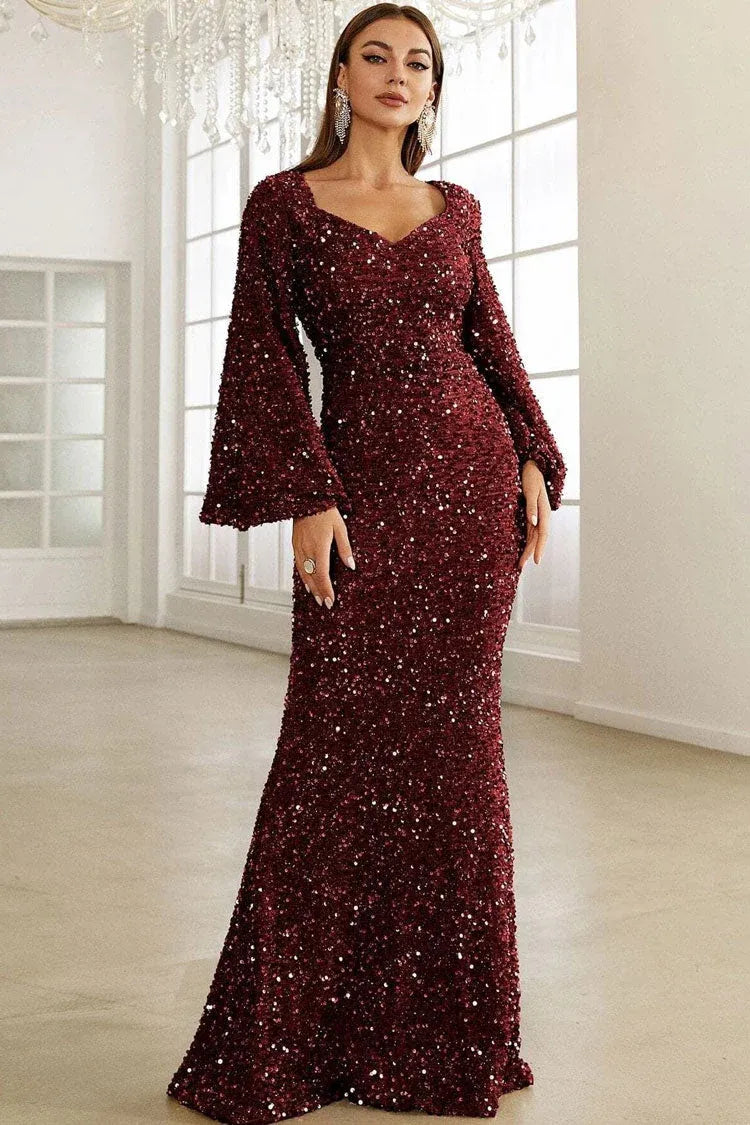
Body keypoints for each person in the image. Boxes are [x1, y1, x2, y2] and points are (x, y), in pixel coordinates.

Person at [167, 4, 566, 1122]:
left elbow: (489, 342)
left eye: (418, 62)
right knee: (328, 752)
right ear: (341, 75)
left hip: (473, 499)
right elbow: (261, 352)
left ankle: (447, 1040)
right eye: (377, 56)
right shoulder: (284, 205)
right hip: (360, 501)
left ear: (433, 89)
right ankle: (292, 1041)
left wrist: (531, 454)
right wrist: (306, 492)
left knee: (456, 762)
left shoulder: (458, 208)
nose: (398, 74)